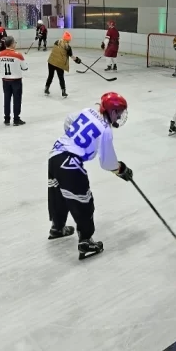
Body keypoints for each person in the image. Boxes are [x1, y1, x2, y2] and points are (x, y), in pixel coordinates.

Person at [48, 92, 133, 260]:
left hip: (55, 153)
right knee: (83, 201)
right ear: (113, 111)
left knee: (58, 194)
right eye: (120, 112)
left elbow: (68, 121)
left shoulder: (87, 111)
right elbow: (107, 162)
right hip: (70, 163)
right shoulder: (105, 129)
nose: (121, 116)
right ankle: (86, 241)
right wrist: (120, 169)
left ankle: (57, 228)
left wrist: (75, 142)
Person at [0, 36, 28, 126]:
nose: (15, 44)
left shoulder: (0, 54)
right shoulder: (18, 55)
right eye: (15, 42)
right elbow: (25, 67)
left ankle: (7, 119)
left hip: (5, 80)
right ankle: (16, 119)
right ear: (11, 44)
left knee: (7, 99)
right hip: (16, 80)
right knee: (17, 100)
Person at [45, 31, 82, 98]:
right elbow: (72, 57)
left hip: (51, 61)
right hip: (59, 64)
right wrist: (77, 60)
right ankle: (63, 91)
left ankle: (46, 88)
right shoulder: (68, 47)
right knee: (61, 77)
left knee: (50, 76)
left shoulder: (57, 42)